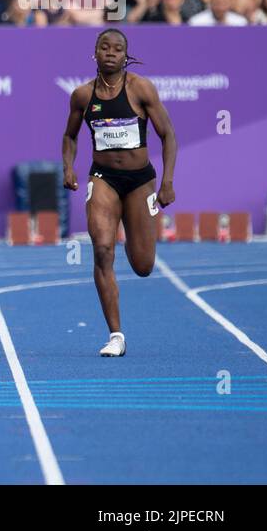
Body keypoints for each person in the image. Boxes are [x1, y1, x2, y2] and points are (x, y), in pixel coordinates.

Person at [61, 28, 176, 357]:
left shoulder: (141, 88)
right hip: (103, 178)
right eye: (104, 47)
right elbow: (69, 136)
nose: (110, 53)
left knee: (143, 266)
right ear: (94, 53)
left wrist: (167, 181)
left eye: (117, 49)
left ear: (126, 56)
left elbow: (168, 135)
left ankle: (134, 228)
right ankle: (116, 336)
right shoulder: (82, 96)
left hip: (140, 181)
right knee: (102, 249)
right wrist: (68, 167)